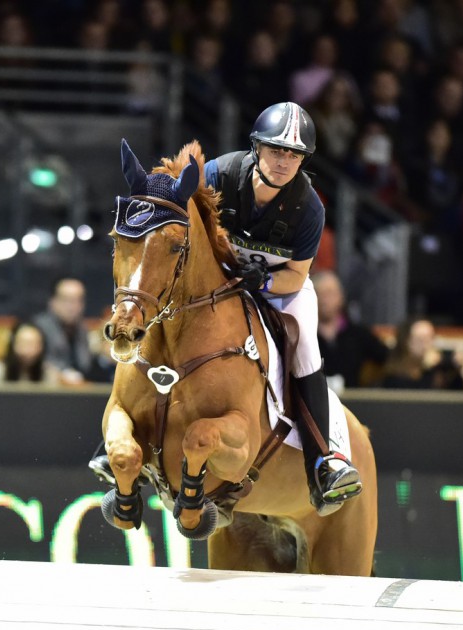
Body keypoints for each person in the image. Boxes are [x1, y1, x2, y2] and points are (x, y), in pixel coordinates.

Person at [92, 102, 359, 515]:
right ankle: (116, 438)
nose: (284, 161)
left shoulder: (309, 207)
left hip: (279, 287)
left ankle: (324, 460)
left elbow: (296, 274)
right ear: (256, 149)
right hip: (216, 277)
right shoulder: (219, 175)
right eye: (275, 150)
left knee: (305, 345)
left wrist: (263, 281)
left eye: (294, 155)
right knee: (164, 315)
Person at [314, 270, 389, 389]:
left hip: (353, 400)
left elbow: (388, 359)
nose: (325, 299)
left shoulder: (358, 334)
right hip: (314, 402)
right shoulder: (303, 335)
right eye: (319, 293)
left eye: (330, 293)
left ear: (341, 297)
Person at [32, 277, 91, 385]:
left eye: (78, 300)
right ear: (52, 301)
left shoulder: (82, 328)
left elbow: (86, 365)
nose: (72, 307)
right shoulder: (37, 328)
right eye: (66, 300)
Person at [381, 317, 463, 391]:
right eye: (420, 340)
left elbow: (459, 398)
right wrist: (428, 370)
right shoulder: (394, 375)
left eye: (430, 338)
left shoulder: (439, 368)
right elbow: (419, 399)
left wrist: (455, 370)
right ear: (406, 342)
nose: (426, 345)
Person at [0, 321, 61, 385]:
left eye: (34, 344)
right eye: (24, 343)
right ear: (13, 344)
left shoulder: (48, 375)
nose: (28, 350)